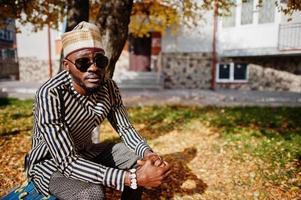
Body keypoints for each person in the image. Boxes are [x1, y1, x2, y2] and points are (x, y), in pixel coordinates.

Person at [26, 21, 171, 200]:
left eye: (100, 61)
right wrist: (133, 179)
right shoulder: (50, 93)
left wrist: (149, 155)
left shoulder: (109, 87)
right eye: (82, 62)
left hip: (87, 152)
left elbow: (126, 129)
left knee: (137, 159)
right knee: (92, 193)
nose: (93, 68)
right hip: (51, 163)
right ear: (67, 65)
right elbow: (67, 162)